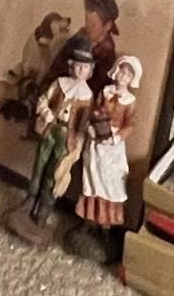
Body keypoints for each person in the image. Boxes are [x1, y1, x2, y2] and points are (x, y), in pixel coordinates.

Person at [9, 37, 95, 243]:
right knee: (39, 165)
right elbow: (43, 100)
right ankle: (30, 200)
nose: (81, 71)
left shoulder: (87, 96)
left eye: (85, 68)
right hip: (51, 130)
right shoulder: (60, 84)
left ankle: (44, 210)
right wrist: (46, 112)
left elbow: (83, 124)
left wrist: (78, 144)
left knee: (54, 173)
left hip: (67, 138)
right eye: (78, 66)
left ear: (90, 70)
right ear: (71, 66)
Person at [72, 54, 141, 231]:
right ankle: (88, 221)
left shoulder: (130, 101)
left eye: (127, 75)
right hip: (97, 139)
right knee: (92, 176)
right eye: (121, 73)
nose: (123, 78)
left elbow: (130, 124)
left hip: (113, 145)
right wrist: (91, 127)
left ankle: (106, 225)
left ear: (132, 79)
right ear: (116, 71)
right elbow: (94, 110)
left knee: (110, 181)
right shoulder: (106, 91)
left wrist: (116, 138)